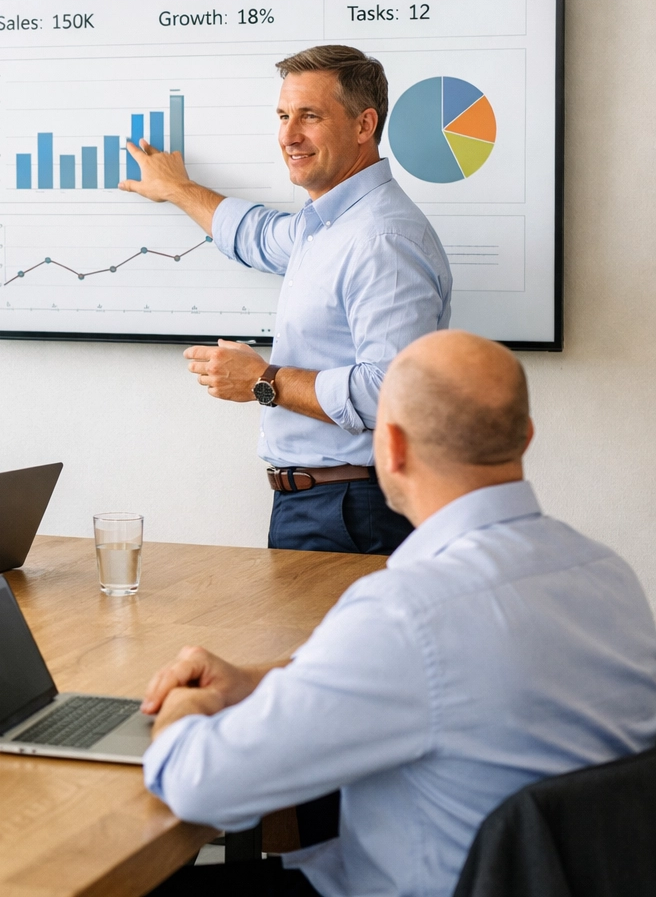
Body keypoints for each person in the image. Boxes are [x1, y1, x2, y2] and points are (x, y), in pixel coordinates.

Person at [139, 330, 656, 897]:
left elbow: (198, 785)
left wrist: (188, 703)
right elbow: (427, 681)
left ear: (391, 447)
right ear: (525, 437)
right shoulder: (606, 573)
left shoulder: (408, 612)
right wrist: (256, 680)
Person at [123, 44, 452, 556]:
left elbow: (390, 393)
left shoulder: (382, 240)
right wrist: (178, 189)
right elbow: (255, 234)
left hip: (353, 511)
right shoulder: (324, 226)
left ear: (364, 125)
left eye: (310, 116)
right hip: (321, 504)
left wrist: (264, 380)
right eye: (283, 116)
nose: (288, 135)